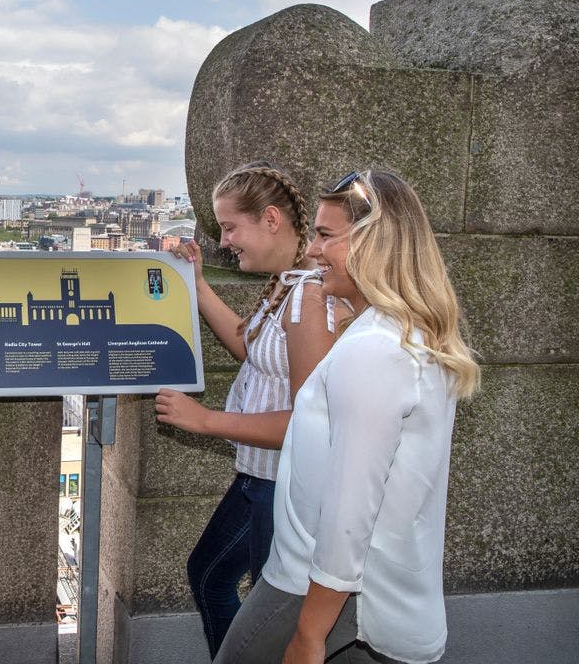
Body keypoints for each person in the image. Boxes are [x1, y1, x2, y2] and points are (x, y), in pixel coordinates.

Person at [214, 170, 481, 664]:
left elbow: (349, 509)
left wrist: (309, 634)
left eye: (325, 235)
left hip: (317, 586)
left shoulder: (376, 350)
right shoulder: (401, 334)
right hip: (355, 589)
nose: (313, 250)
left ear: (373, 243)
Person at [155, 164, 343, 659]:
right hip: (258, 476)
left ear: (271, 219)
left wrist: (205, 420)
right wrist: (197, 286)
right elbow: (250, 346)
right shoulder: (287, 284)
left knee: (267, 619)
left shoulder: (309, 297)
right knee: (209, 574)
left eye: (230, 227)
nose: (224, 242)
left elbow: (308, 422)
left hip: (282, 486)